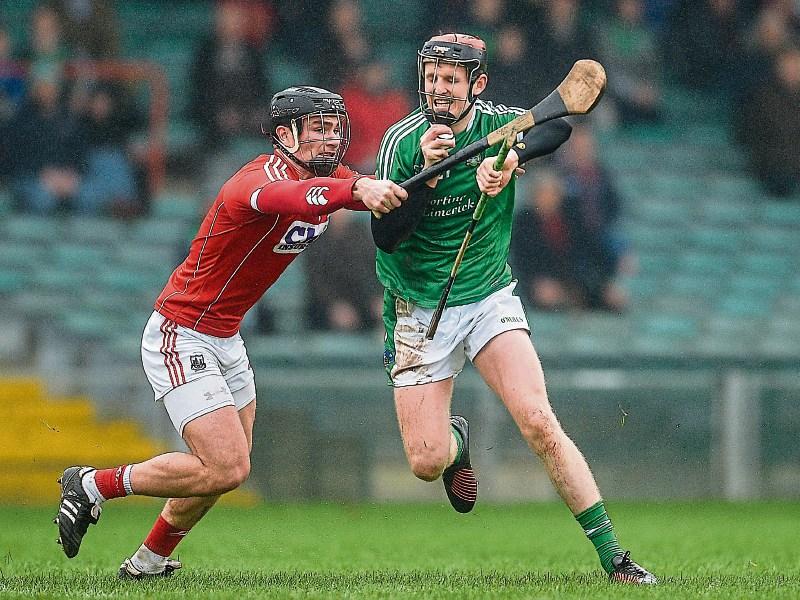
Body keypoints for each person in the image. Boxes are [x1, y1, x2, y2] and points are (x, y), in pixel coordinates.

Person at [53, 86, 407, 577]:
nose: (330, 140)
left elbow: (364, 186)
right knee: (227, 466)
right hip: (182, 331)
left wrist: (428, 169)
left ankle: (149, 562)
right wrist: (357, 191)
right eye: (317, 129)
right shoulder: (257, 180)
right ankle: (92, 485)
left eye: (334, 129)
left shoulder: (330, 177)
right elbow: (298, 198)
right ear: (285, 135)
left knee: (222, 473)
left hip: (226, 337)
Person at [371, 33, 656, 585]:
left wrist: (508, 154)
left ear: (476, 86)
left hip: (487, 297)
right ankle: (457, 441)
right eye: (431, 79)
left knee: (538, 421)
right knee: (426, 462)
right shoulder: (401, 143)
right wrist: (426, 177)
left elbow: (557, 124)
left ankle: (614, 557)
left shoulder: (496, 123)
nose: (438, 91)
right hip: (417, 310)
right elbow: (385, 235)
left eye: (451, 81)